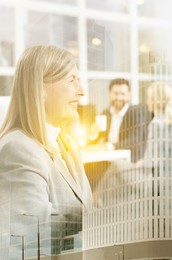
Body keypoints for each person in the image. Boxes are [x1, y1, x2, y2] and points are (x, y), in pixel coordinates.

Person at [0, 45, 92, 257]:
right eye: (72, 80)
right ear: (39, 89)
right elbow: (31, 235)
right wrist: (102, 216)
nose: (81, 90)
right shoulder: (17, 148)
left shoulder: (67, 146)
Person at [100, 78, 152, 163]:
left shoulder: (136, 113)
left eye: (122, 94)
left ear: (129, 95)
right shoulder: (105, 114)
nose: (119, 97)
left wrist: (112, 146)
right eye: (116, 93)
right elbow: (100, 138)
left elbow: (135, 139)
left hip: (129, 161)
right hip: (106, 160)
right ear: (109, 94)